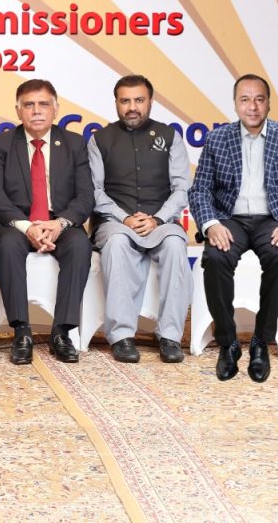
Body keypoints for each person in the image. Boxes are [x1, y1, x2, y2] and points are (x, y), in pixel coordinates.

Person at [188, 74, 278, 382]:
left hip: (272, 219)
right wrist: (211, 224)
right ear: (235, 104)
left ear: (268, 103)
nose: (253, 107)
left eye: (259, 99)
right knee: (215, 257)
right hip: (230, 219)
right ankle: (228, 343)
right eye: (245, 100)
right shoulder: (218, 139)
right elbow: (200, 189)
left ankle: (261, 341)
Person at [0, 79, 93, 364]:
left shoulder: (75, 144)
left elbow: (85, 197)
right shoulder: (0, 144)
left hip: (59, 223)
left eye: (44, 104)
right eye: (29, 105)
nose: (37, 111)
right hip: (15, 224)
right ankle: (21, 332)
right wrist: (27, 227)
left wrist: (60, 224)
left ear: (56, 109)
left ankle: (62, 332)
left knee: (80, 245)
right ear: (18, 111)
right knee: (7, 246)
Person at [88, 75, 191, 363]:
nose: (132, 107)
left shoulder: (170, 137)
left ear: (150, 102)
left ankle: (170, 335)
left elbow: (181, 188)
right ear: (116, 103)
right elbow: (94, 191)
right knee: (118, 243)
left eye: (139, 100)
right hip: (115, 222)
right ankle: (122, 336)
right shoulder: (99, 140)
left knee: (175, 245)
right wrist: (124, 218)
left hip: (161, 222)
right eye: (125, 101)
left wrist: (158, 218)